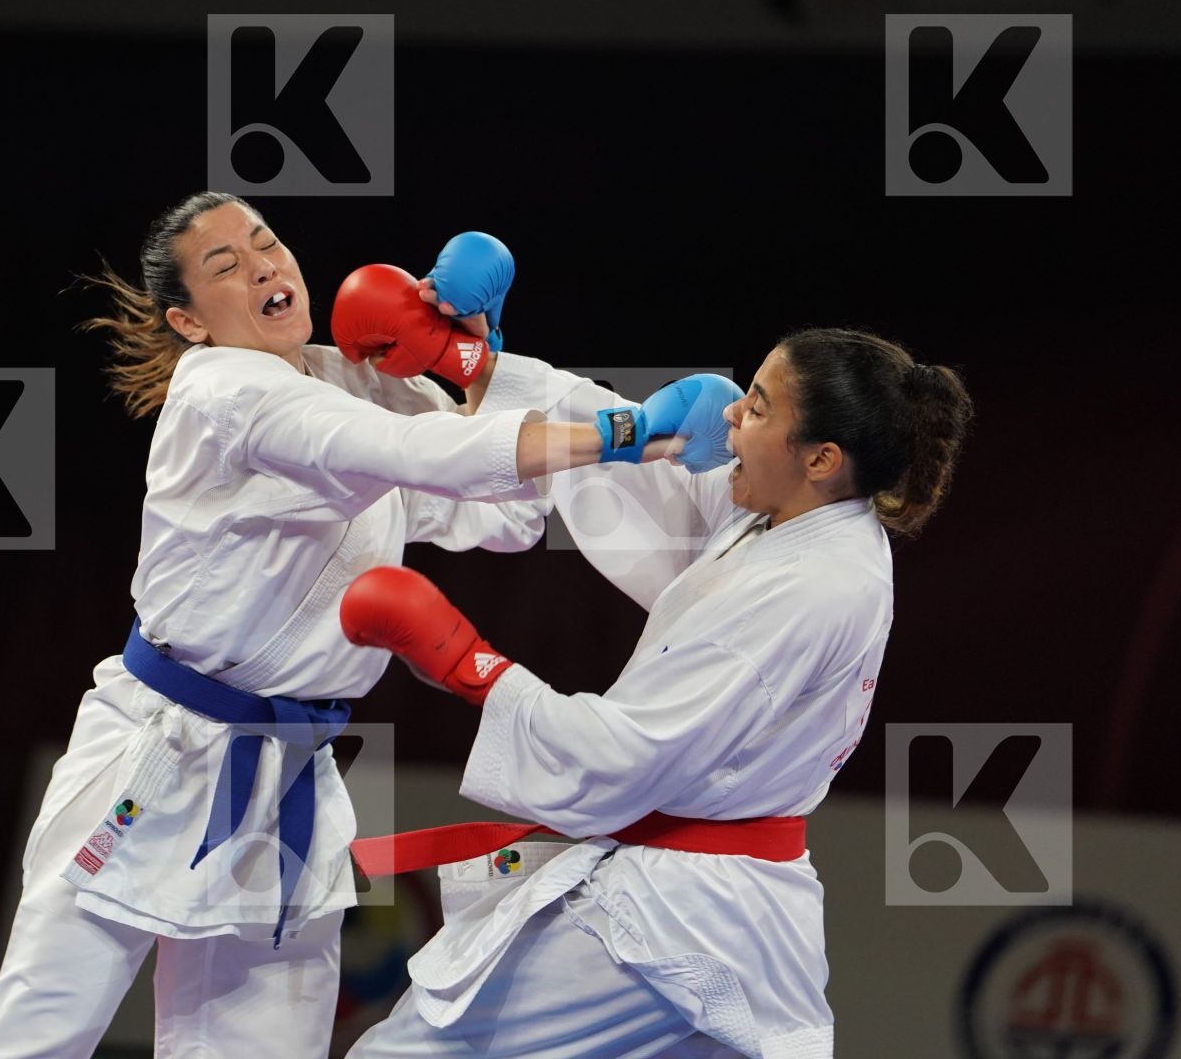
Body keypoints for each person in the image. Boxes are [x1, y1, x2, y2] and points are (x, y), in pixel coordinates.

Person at [0, 192, 647, 1059]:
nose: (262, 266)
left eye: (267, 244)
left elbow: (508, 515)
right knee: (40, 1038)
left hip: (286, 775)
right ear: (189, 320)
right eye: (226, 267)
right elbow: (418, 455)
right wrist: (638, 430)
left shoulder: (346, 380)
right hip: (156, 753)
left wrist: (478, 359)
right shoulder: (222, 391)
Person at [338, 326, 974, 1058]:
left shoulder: (809, 587)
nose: (733, 413)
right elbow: (649, 483)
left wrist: (468, 664)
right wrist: (473, 365)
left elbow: (628, 753)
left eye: (759, 409)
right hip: (719, 910)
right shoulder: (799, 523)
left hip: (674, 920)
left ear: (822, 459)